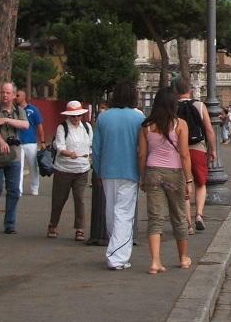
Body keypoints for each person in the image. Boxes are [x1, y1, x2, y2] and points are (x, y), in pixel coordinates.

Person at [139, 88, 193, 274]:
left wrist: (142, 177)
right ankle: (183, 258)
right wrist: (189, 180)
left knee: (155, 217)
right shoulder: (180, 124)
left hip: (153, 172)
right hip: (174, 173)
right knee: (178, 215)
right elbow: (185, 155)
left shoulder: (146, 125)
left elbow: (142, 154)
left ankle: (155, 261)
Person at [93, 82, 145, 271]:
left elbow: (96, 148)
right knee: (124, 213)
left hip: (108, 169)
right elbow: (142, 149)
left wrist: (98, 170)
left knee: (111, 210)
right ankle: (117, 255)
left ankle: (115, 249)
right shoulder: (139, 118)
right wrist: (143, 172)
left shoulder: (103, 117)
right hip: (130, 170)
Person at [0, 82, 28, 233]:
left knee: (14, 190)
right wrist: (1, 142)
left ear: (14, 95)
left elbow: (25, 125)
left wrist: (6, 120)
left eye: (8, 93)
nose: (5, 95)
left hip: (14, 155)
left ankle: (10, 223)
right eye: (3, 92)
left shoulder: (19, 111)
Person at [175, 78, 216, 233]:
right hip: (198, 148)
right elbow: (209, 130)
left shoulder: (172, 106)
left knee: (184, 186)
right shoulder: (199, 105)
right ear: (190, 90)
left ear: (176, 92)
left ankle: (188, 224)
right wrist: (213, 150)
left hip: (178, 150)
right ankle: (199, 214)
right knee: (201, 183)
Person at [48, 101, 92, 241]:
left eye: (79, 115)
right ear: (68, 116)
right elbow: (59, 146)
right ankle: (53, 224)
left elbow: (90, 145)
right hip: (64, 169)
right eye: (73, 116)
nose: (76, 118)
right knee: (59, 199)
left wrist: (89, 156)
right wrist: (68, 153)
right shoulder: (62, 127)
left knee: (80, 198)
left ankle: (80, 228)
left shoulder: (87, 127)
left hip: (82, 169)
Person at [15, 89, 45, 199]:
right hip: (18, 143)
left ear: (24, 97)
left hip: (31, 142)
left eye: (18, 95)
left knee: (33, 166)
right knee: (18, 167)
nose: (16, 97)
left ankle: (34, 188)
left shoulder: (33, 110)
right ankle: (18, 190)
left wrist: (42, 141)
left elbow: (39, 125)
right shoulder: (14, 110)